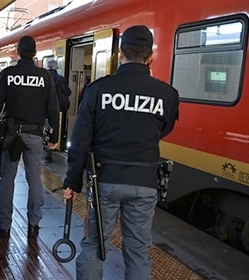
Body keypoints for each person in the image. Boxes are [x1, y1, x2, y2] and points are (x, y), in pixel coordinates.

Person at [63, 25, 179, 280]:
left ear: (120, 53)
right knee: (138, 253)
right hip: (144, 182)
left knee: (94, 245)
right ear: (150, 56)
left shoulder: (98, 90)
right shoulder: (167, 95)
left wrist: (72, 182)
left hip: (104, 180)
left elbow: (80, 141)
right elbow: (163, 129)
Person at [0, 35, 60, 238]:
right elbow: (53, 108)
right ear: (34, 53)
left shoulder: (8, 74)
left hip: (12, 136)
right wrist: (54, 135)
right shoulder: (45, 77)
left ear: (17, 52)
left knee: (8, 178)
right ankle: (34, 224)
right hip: (34, 135)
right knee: (35, 179)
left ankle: (5, 226)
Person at [44, 59, 71, 163]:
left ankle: (44, 147)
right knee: (54, 126)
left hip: (44, 107)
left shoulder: (44, 77)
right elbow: (68, 92)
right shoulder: (61, 79)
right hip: (56, 107)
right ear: (55, 67)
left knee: (44, 127)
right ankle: (50, 151)